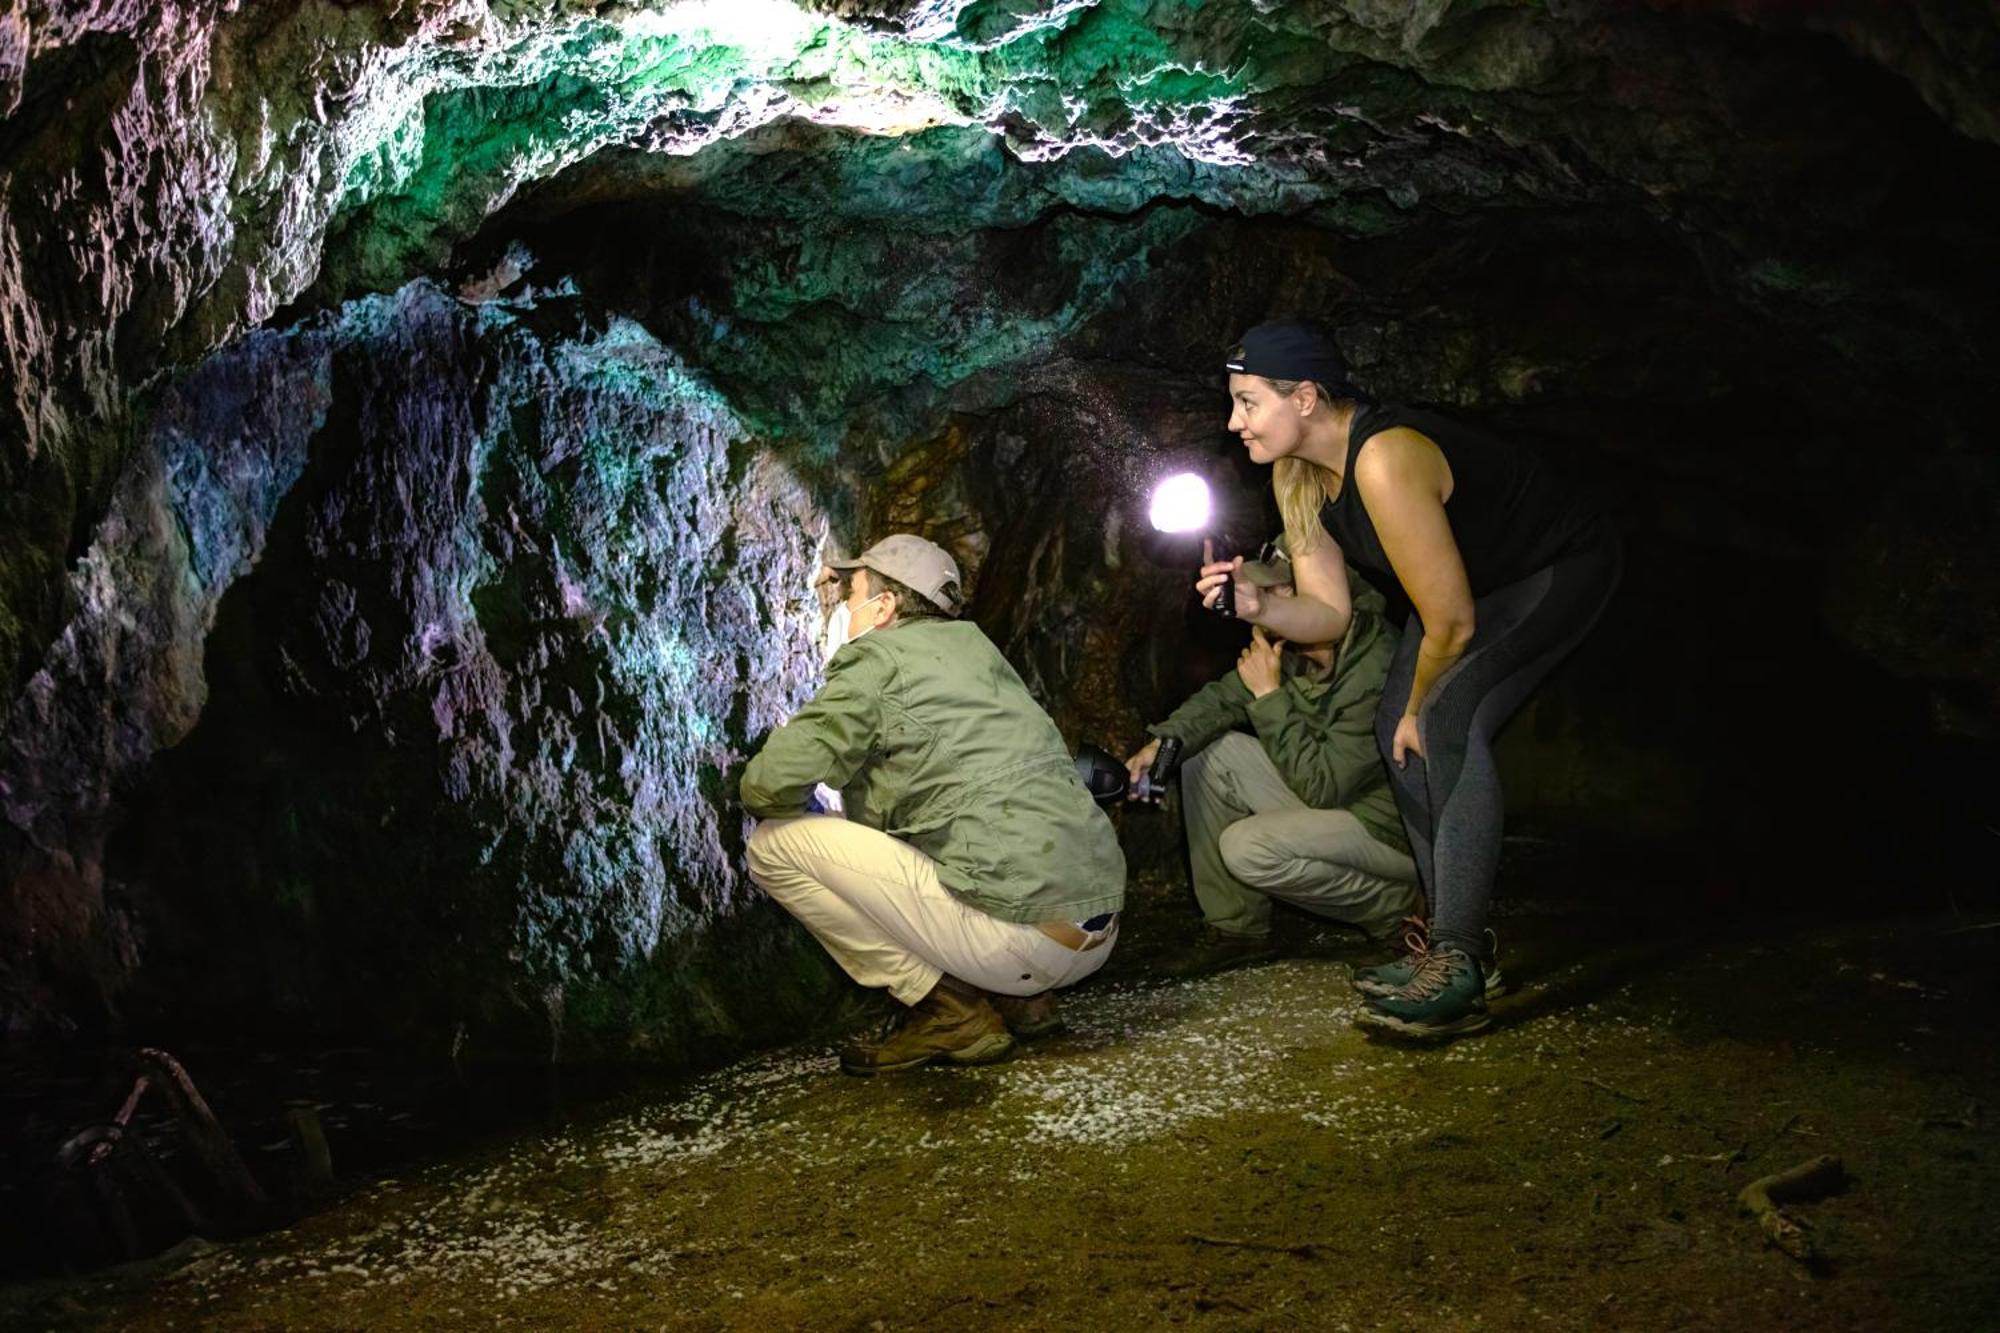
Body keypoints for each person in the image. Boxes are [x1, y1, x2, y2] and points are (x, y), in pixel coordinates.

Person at [1198, 321, 1620, 1037]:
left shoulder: (1383, 459)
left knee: (1442, 720)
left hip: (1555, 566)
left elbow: (1450, 624)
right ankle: (1454, 945)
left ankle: (1456, 960)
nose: (1232, 422)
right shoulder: (1297, 474)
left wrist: (1421, 704)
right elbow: (1329, 615)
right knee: (1394, 731)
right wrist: (1259, 604)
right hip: (1465, 588)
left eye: (1246, 402)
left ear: (1304, 398)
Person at [740, 533, 1127, 1075]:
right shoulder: (981, 655)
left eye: (853, 594)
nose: (846, 609)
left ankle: (950, 1011)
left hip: (1020, 945)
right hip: (1097, 933)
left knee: (772, 846)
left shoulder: (876, 662)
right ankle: (1024, 1002)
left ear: (886, 604)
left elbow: (765, 787)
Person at [1125, 540, 1421, 973]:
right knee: (1210, 754)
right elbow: (1222, 700)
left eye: (1280, 594)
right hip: (1334, 800)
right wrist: (1161, 744)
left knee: (1246, 848)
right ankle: (1236, 929)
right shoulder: (1293, 646)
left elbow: (1323, 787)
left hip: (1392, 828)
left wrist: (1269, 696)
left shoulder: (1376, 660)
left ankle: (1395, 910)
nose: (1263, 606)